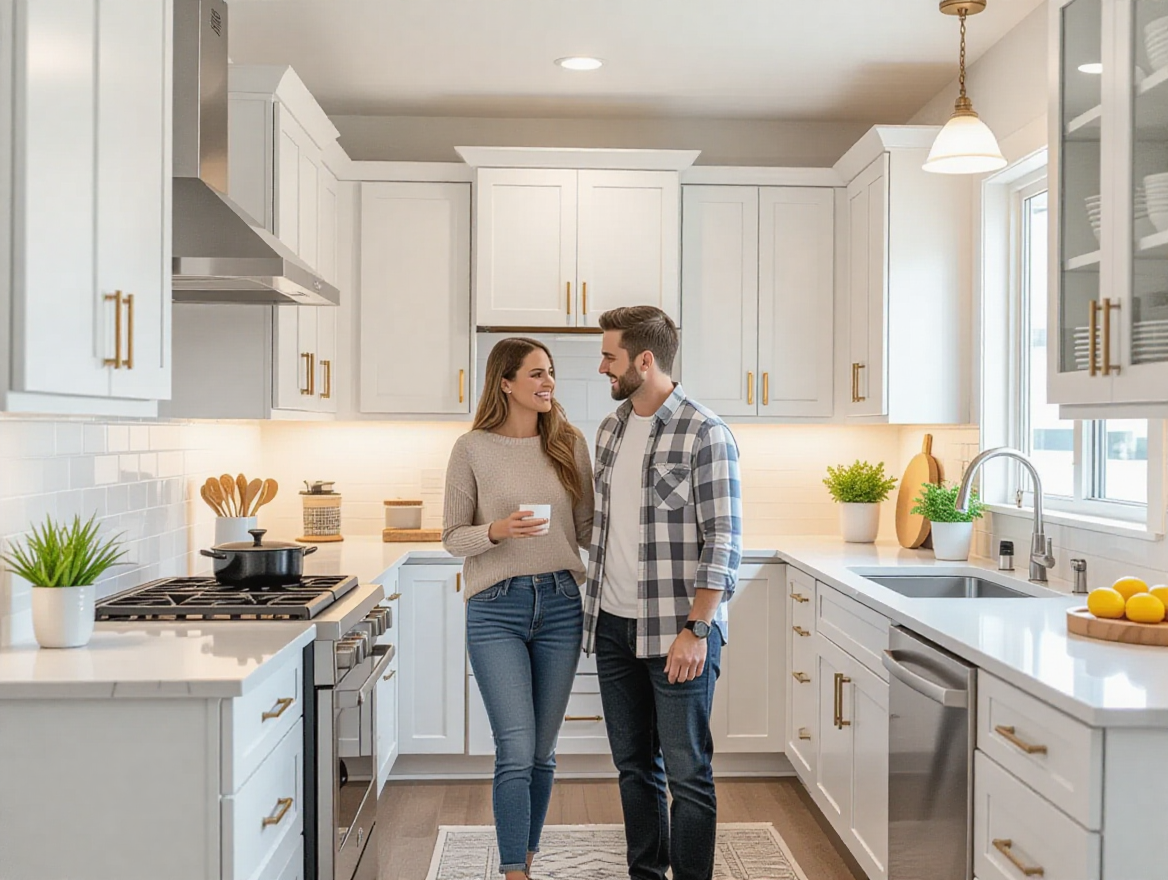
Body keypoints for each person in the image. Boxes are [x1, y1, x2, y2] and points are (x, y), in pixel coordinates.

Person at [585, 306, 743, 880]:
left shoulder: (706, 432)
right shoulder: (610, 430)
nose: (603, 367)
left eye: (610, 356)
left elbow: (724, 541)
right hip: (613, 626)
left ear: (644, 360)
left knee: (688, 773)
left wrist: (697, 629)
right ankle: (646, 874)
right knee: (633, 767)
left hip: (678, 632)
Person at [442, 337, 594, 880]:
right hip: (495, 609)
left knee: (542, 753)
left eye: (549, 372)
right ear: (505, 382)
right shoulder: (472, 448)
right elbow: (452, 538)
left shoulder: (570, 444)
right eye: (535, 373)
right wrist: (496, 530)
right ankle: (513, 871)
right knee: (515, 745)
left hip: (558, 603)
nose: (547, 381)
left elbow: (587, 530)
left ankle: (526, 856)